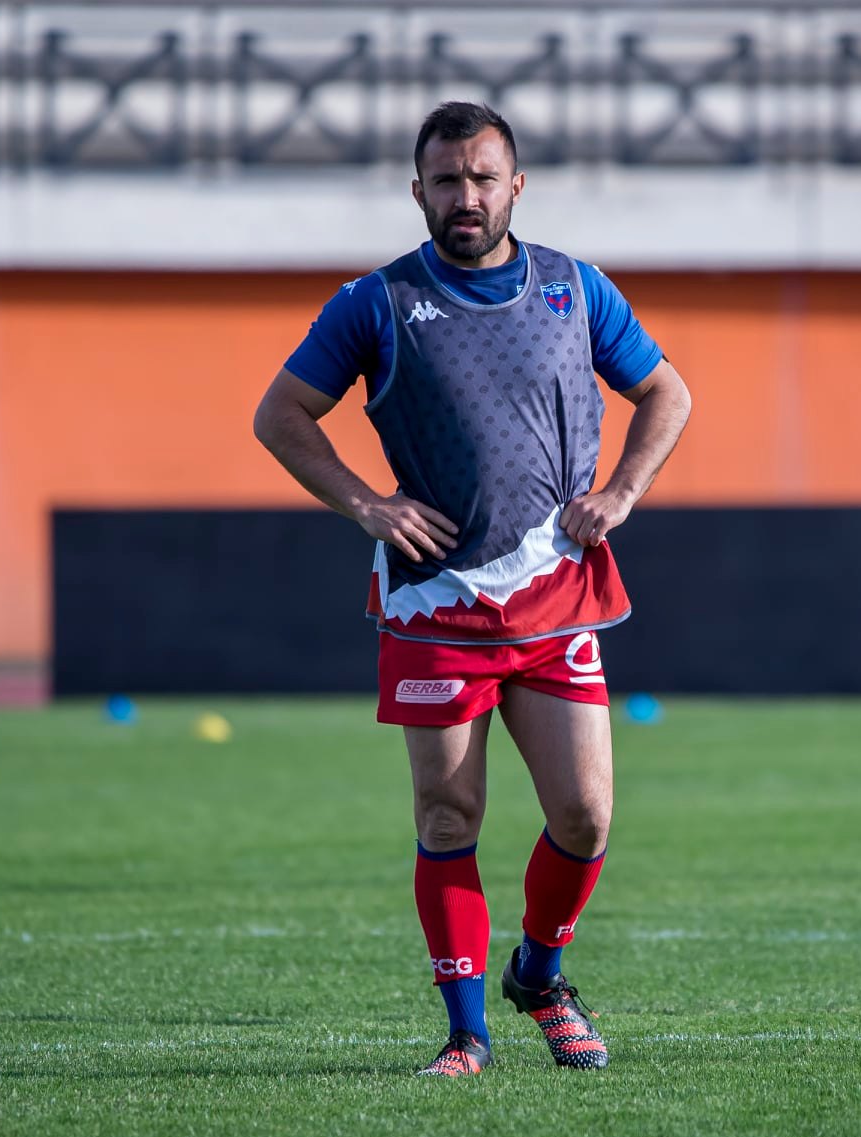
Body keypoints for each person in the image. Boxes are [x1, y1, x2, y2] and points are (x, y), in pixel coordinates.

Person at [252, 101, 692, 1077]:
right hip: (433, 607)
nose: (466, 197)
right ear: (418, 192)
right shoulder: (375, 302)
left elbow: (668, 391)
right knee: (448, 818)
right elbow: (280, 414)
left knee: (584, 816)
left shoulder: (574, 291)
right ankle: (467, 1037)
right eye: (446, 181)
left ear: (516, 186)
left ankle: (539, 974)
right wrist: (368, 506)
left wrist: (622, 491)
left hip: (553, 596)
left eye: (483, 178)